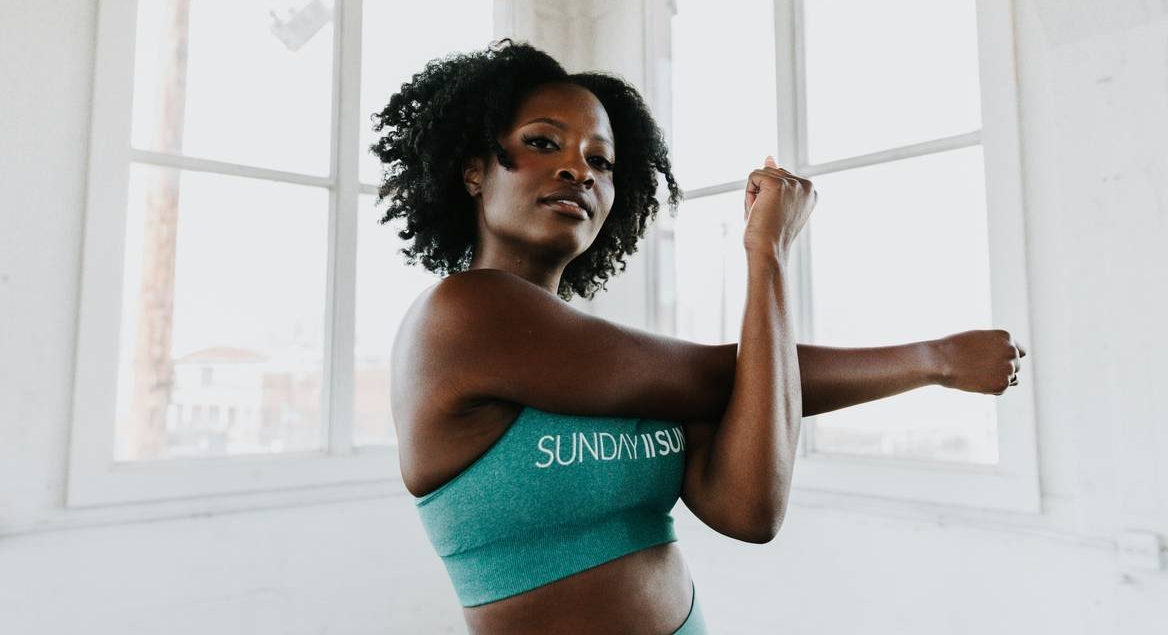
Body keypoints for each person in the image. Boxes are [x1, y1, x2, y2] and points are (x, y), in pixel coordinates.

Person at [368, 38, 1025, 634]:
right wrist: (770, 253)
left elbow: (750, 510)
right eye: (544, 143)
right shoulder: (465, 315)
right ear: (475, 169)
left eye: (600, 159)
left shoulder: (609, 360)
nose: (579, 170)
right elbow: (724, 377)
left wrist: (928, 359)